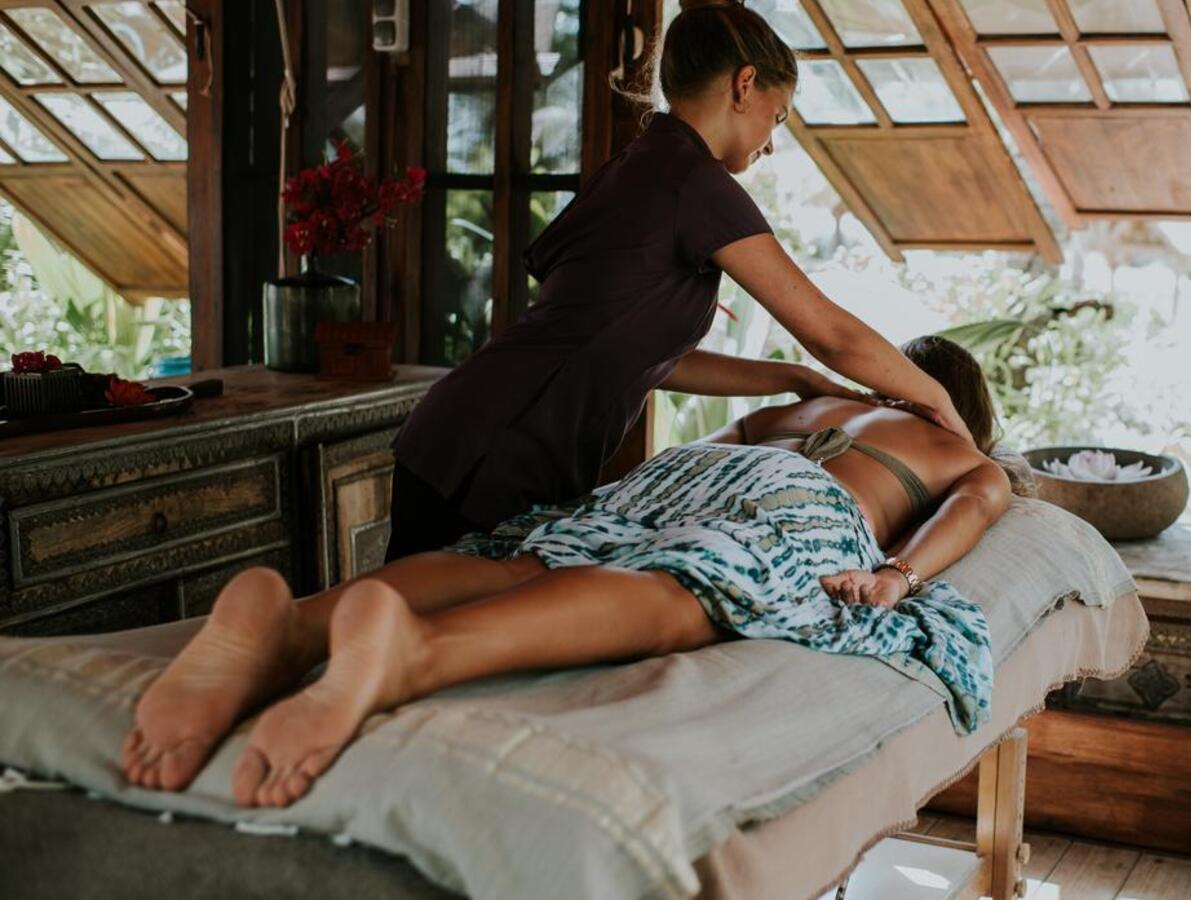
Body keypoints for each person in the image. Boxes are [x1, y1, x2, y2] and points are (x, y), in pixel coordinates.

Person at [123, 337, 1013, 808]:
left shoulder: (816, 403)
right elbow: (970, 512)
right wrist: (896, 576)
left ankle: (298, 626)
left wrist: (636, 508)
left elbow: (714, 444)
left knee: (530, 559)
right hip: (803, 504)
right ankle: (414, 657)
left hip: (686, 475)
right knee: (684, 590)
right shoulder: (953, 447)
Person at [385, 0, 974, 560]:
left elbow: (654, 359)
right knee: (405, 638)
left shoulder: (644, 162)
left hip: (475, 429)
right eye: (779, 115)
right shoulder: (696, 183)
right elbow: (830, 332)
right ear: (745, 85)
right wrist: (939, 399)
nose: (772, 142)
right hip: (493, 445)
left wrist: (796, 378)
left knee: (406, 635)